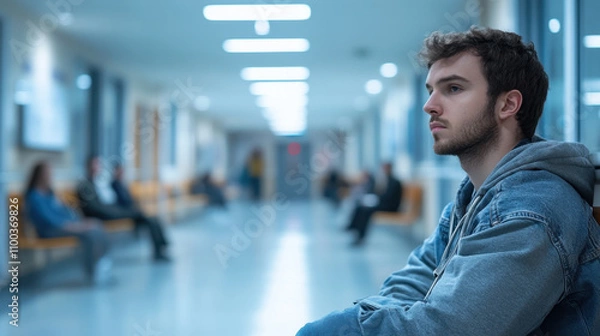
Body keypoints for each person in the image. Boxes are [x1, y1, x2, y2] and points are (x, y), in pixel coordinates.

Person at [297, 27, 600, 335]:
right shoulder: (472, 199)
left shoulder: (532, 209)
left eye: (453, 88)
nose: (430, 105)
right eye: (431, 90)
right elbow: (411, 283)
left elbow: (448, 329)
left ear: (507, 105)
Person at [25, 160, 112, 284]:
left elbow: (64, 212)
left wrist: (79, 222)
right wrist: (75, 226)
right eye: (48, 173)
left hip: (64, 225)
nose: (50, 176)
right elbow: (49, 220)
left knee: (97, 226)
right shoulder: (34, 197)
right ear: (39, 175)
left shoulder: (50, 194)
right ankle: (93, 273)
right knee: (90, 234)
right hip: (49, 230)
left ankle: (101, 264)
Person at [77, 156, 171, 261]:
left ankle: (161, 247)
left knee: (151, 218)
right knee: (143, 216)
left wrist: (113, 208)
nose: (97, 167)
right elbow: (94, 207)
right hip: (103, 215)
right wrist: (112, 210)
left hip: (111, 211)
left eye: (98, 165)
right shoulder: (85, 184)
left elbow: (107, 201)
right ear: (87, 167)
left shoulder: (99, 183)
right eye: (95, 165)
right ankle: (160, 248)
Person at [344, 162, 402, 246]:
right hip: (383, 204)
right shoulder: (385, 180)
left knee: (367, 211)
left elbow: (389, 197)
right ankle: (353, 227)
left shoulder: (395, 182)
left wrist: (376, 199)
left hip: (390, 207)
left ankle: (360, 236)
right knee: (360, 207)